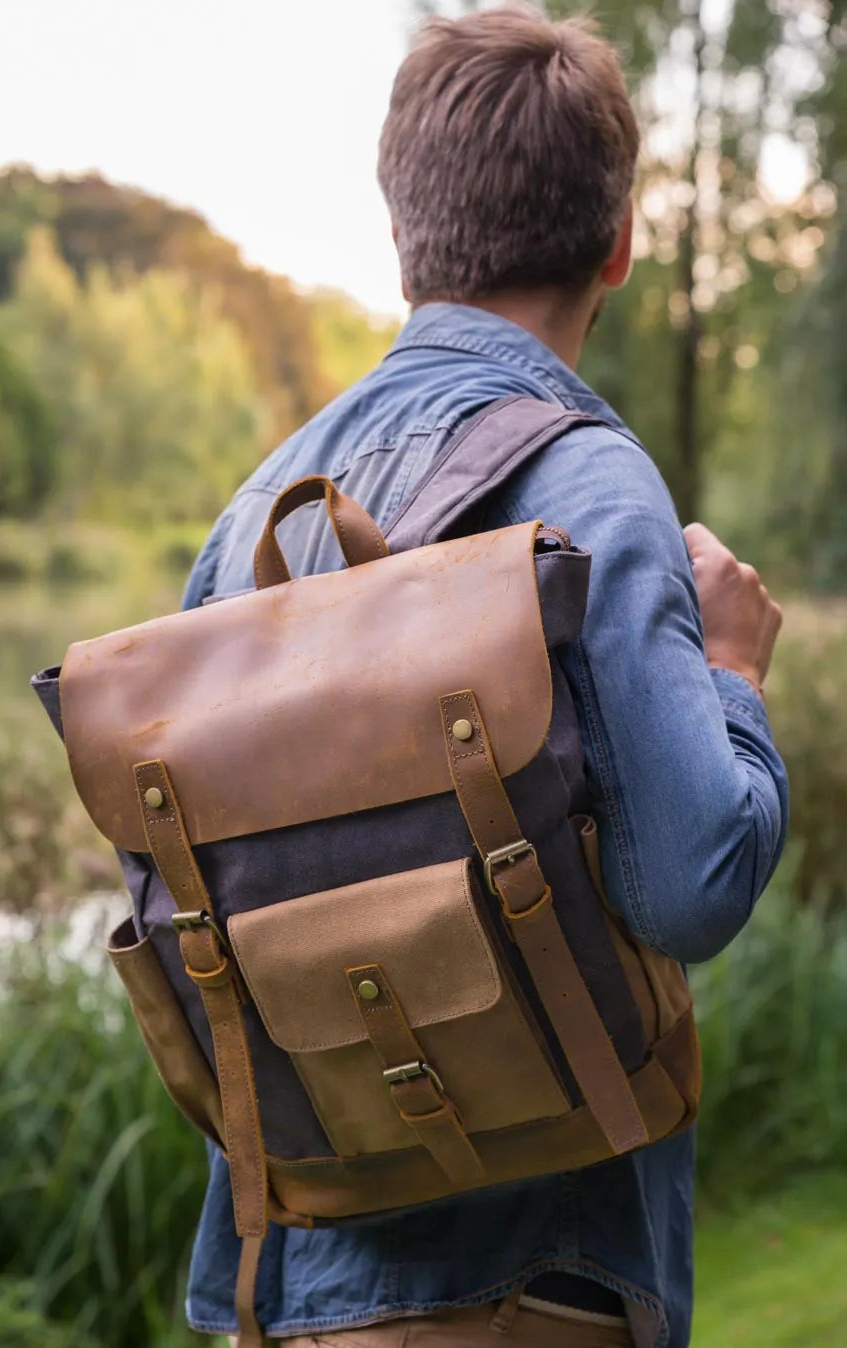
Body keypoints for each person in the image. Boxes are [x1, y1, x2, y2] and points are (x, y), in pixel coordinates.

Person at [182, 8, 788, 1346]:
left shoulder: (256, 521)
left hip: (284, 1285)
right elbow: (689, 886)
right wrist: (736, 672)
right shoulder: (588, 481)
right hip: (526, 1284)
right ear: (618, 244)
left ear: (404, 235)